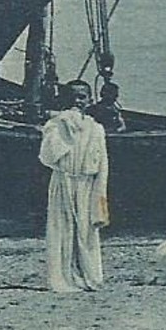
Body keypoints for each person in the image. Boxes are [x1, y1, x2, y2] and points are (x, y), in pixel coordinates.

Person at [38, 79, 108, 292]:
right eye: (73, 97)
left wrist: (101, 204)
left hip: (87, 184)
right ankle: (62, 277)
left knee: (87, 231)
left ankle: (89, 275)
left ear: (90, 100)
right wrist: (63, 126)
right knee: (62, 229)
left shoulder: (96, 129)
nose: (78, 101)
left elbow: (103, 165)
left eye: (82, 97)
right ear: (65, 99)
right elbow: (47, 157)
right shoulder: (56, 125)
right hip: (64, 181)